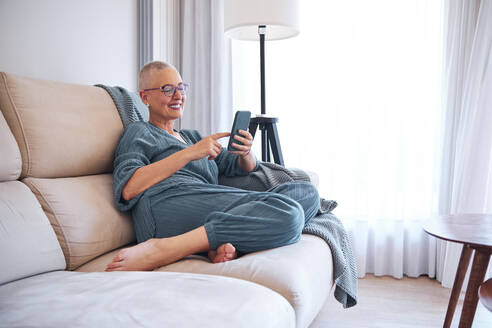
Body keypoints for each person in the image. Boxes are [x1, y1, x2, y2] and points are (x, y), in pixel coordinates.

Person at [105, 61, 320, 271]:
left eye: (181, 88)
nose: (179, 96)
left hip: (205, 202)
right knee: (291, 215)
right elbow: (128, 188)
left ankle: (211, 241)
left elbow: (242, 167)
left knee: (307, 193)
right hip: (166, 205)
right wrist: (189, 153)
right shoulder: (139, 132)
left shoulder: (192, 137)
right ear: (145, 97)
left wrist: (246, 152)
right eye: (168, 89)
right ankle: (164, 249)